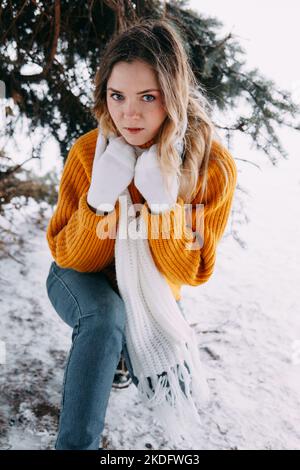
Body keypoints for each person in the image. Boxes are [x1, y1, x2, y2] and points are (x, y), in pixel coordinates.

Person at [45, 18, 237, 450]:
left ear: (174, 97)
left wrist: (162, 206)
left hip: (152, 290)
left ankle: (119, 353)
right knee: (106, 318)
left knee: (176, 391)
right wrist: (99, 199)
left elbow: (191, 272)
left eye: (147, 97)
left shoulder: (210, 167)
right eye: (117, 96)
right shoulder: (90, 153)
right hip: (81, 275)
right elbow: (71, 256)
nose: (128, 114)